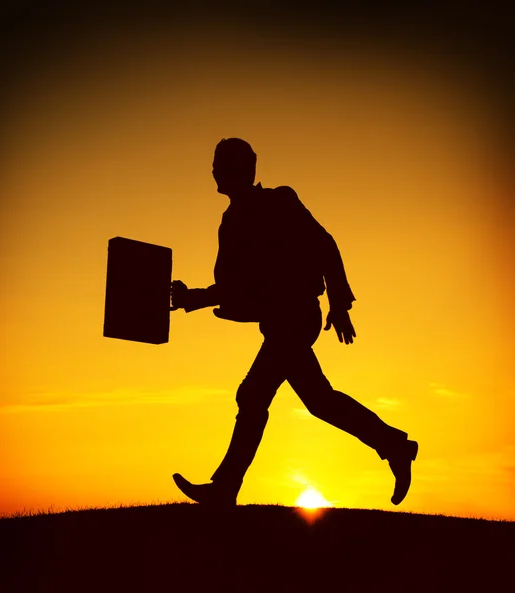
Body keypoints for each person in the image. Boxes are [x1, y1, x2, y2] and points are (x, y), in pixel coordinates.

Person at [170, 138, 418, 507]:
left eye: (219, 164)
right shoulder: (231, 221)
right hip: (278, 321)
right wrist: (193, 298)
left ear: (237, 170)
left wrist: (339, 302)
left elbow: (325, 245)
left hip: (298, 317)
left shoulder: (279, 202)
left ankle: (224, 489)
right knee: (319, 401)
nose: (212, 171)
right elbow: (235, 287)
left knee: (253, 395)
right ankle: (396, 446)